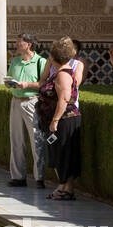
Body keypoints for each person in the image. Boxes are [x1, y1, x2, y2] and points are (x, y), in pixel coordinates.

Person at [39, 37, 83, 200]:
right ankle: (64, 187)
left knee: (64, 151)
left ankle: (66, 187)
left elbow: (64, 99)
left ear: (53, 57)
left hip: (64, 120)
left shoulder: (63, 75)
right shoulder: (60, 72)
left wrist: (55, 120)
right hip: (63, 120)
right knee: (62, 151)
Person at [6, 32, 47, 188]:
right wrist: (9, 83)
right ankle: (18, 177)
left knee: (36, 139)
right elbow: (10, 78)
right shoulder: (15, 61)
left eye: (19, 42)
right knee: (16, 139)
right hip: (16, 101)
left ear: (28, 45)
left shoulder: (40, 61)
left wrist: (27, 85)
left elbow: (43, 83)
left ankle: (39, 177)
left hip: (32, 102)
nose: (16, 45)